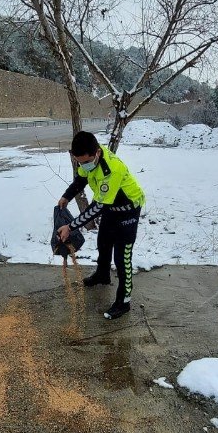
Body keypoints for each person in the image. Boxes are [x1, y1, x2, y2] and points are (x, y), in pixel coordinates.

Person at [57, 131, 145, 320]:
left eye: (85, 162)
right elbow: (80, 180)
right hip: (110, 207)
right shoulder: (88, 160)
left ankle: (124, 302)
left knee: (122, 258)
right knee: (103, 242)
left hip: (128, 210)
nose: (83, 166)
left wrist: (70, 227)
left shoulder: (111, 169)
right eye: (79, 162)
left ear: (96, 153)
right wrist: (67, 196)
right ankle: (102, 274)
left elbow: (97, 208)